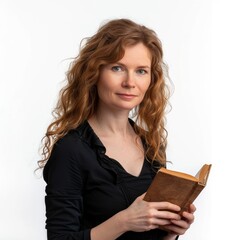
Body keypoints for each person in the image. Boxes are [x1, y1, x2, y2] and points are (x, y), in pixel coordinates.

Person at [38, 18, 196, 240]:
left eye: (141, 71)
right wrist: (125, 221)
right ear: (94, 73)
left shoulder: (150, 143)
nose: (130, 82)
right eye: (117, 68)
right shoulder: (71, 151)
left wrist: (171, 232)